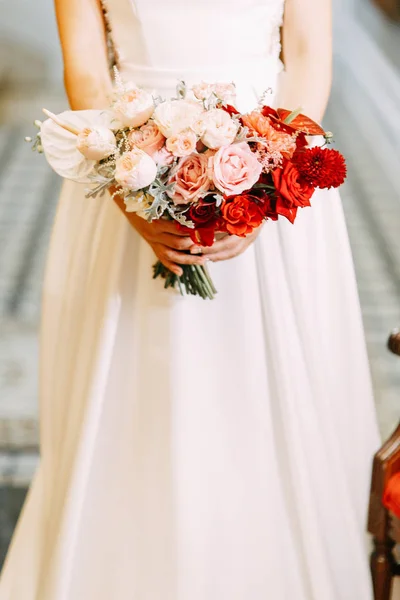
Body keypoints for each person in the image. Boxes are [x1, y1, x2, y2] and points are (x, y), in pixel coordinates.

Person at [0, 1, 381, 598]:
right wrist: (132, 192)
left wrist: (265, 183)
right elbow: (89, 69)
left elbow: (307, 54)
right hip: (126, 161)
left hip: (268, 160)